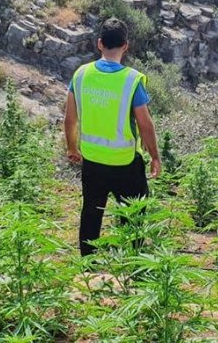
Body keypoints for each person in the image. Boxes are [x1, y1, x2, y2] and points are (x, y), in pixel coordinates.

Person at [64, 18, 162, 257]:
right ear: (126, 46)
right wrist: (155, 156)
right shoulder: (131, 80)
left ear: (99, 43)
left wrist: (72, 148)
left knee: (91, 212)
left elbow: (69, 119)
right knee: (134, 213)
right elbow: (145, 124)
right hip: (124, 161)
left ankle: (87, 263)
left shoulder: (81, 75)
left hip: (93, 159)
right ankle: (133, 260)